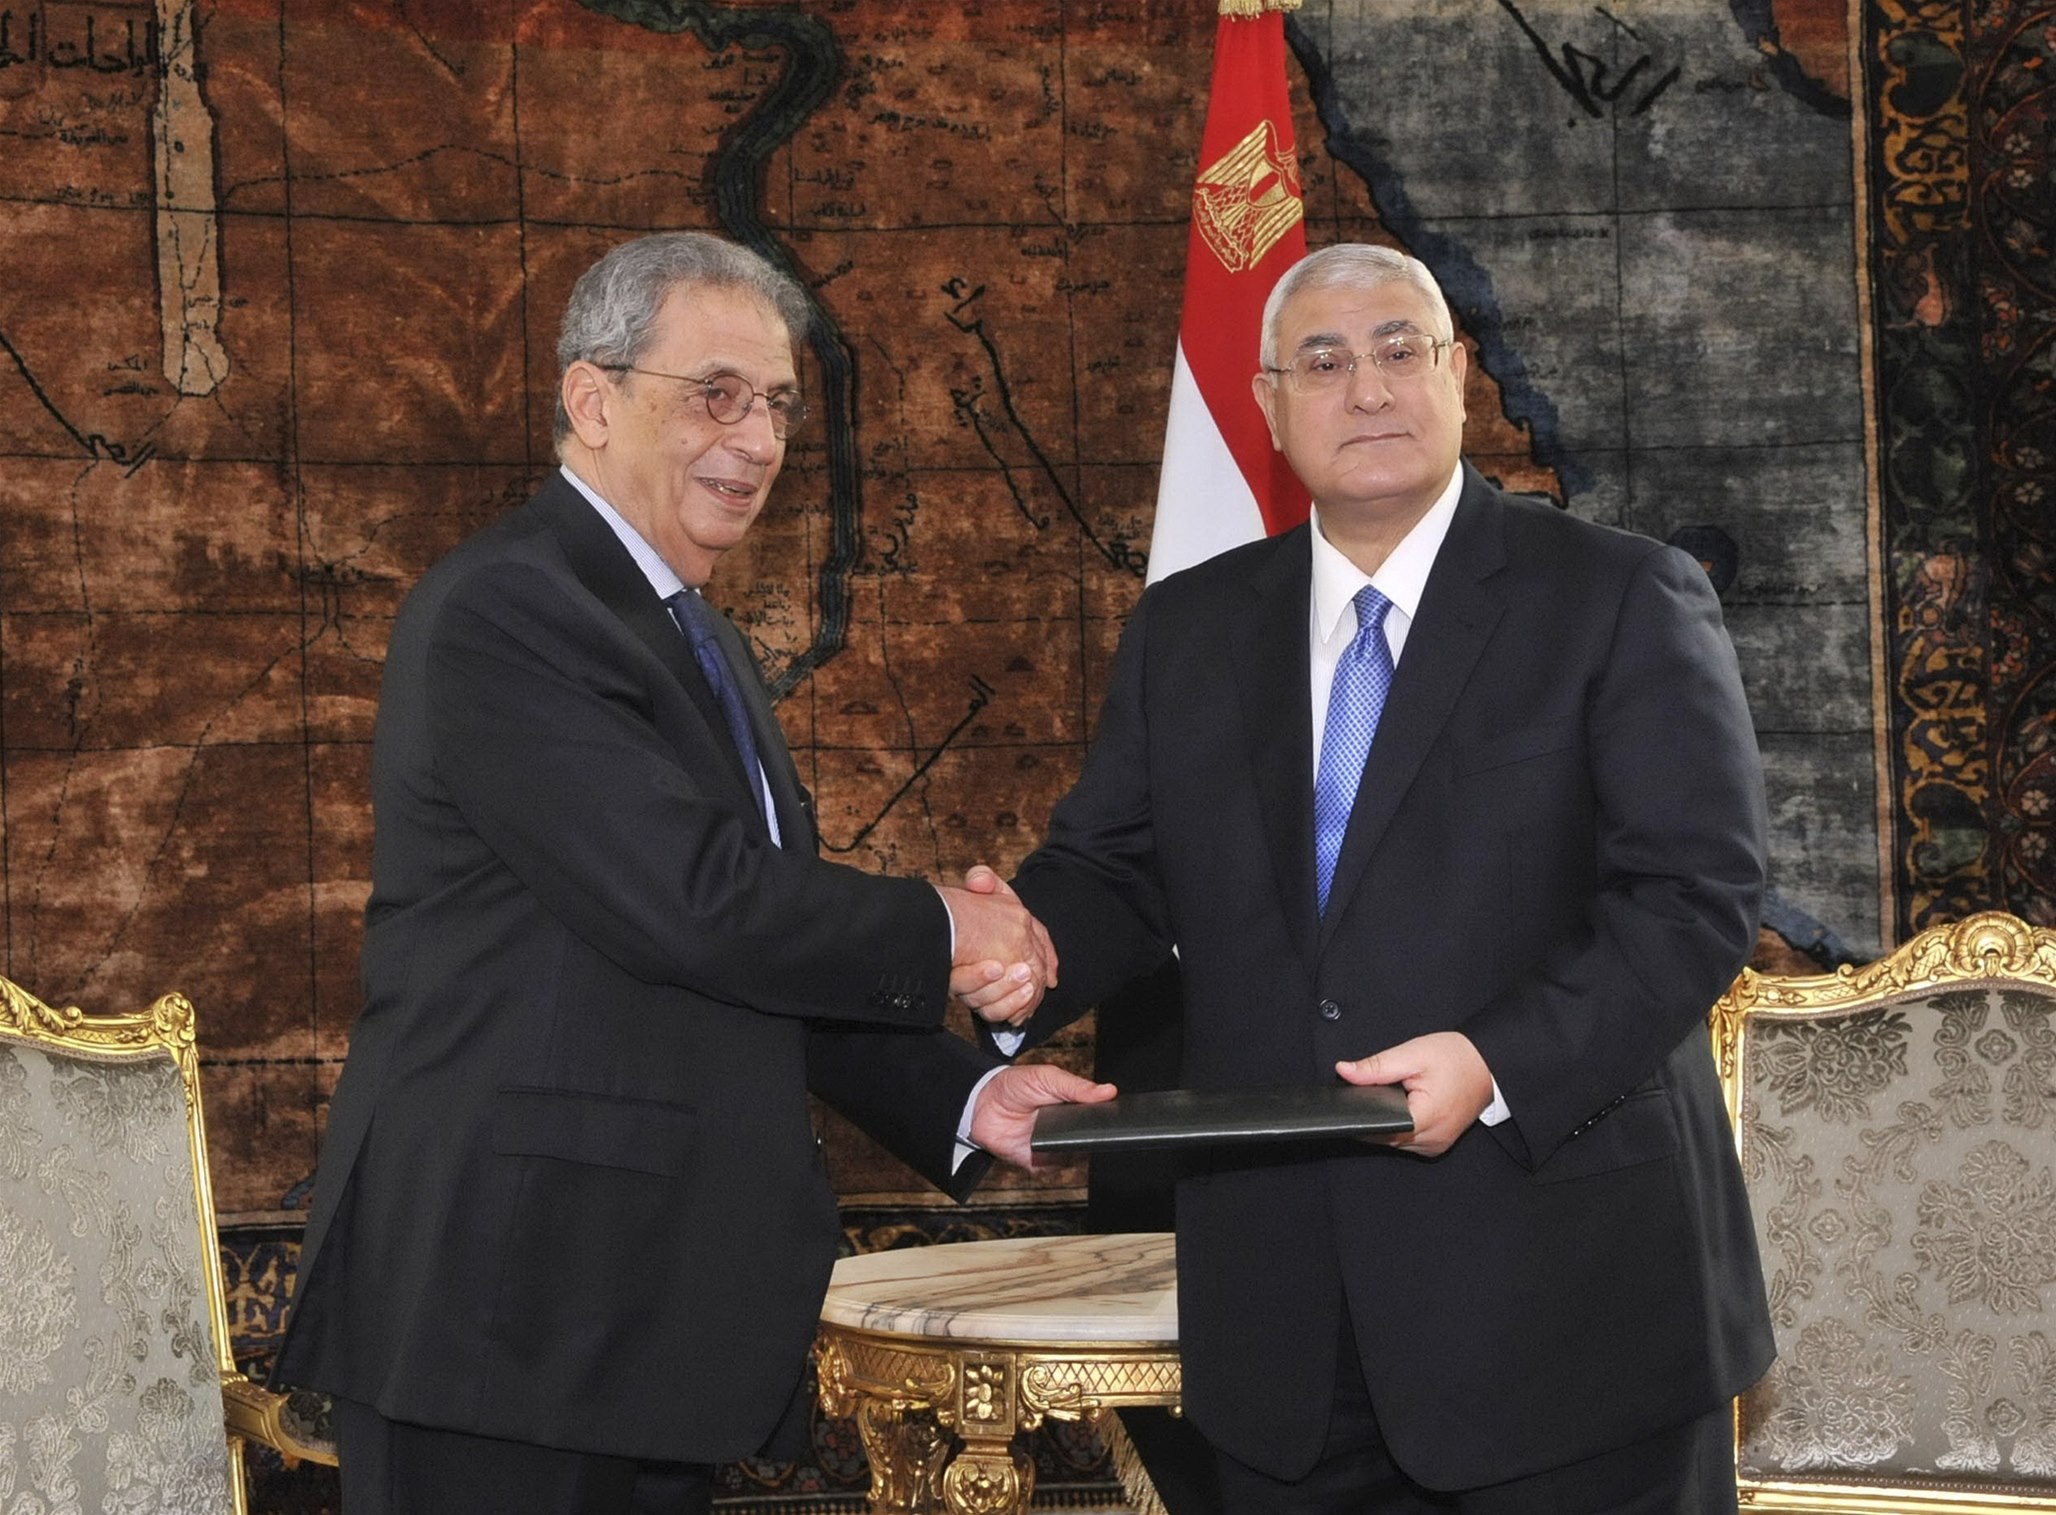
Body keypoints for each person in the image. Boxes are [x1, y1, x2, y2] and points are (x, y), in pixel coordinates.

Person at [273, 231, 1106, 1515]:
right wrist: (945, 926)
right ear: (592, 399)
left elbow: (748, 957)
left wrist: (965, 1098)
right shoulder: (510, 607)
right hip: (504, 1316)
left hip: (637, 1318)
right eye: (716, 394)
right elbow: (693, 901)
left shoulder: (688, 632)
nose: (758, 438)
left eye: (776, 404)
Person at [963, 243, 1775, 1512]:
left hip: (1565, 1308)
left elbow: (1694, 898)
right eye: (1325, 361)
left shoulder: (1616, 593)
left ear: (1458, 375)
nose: (1369, 387)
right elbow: (1112, 871)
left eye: (1401, 349)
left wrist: (1497, 1062)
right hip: (1281, 1322)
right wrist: (1017, 950)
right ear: (1269, 403)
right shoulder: (1187, 626)